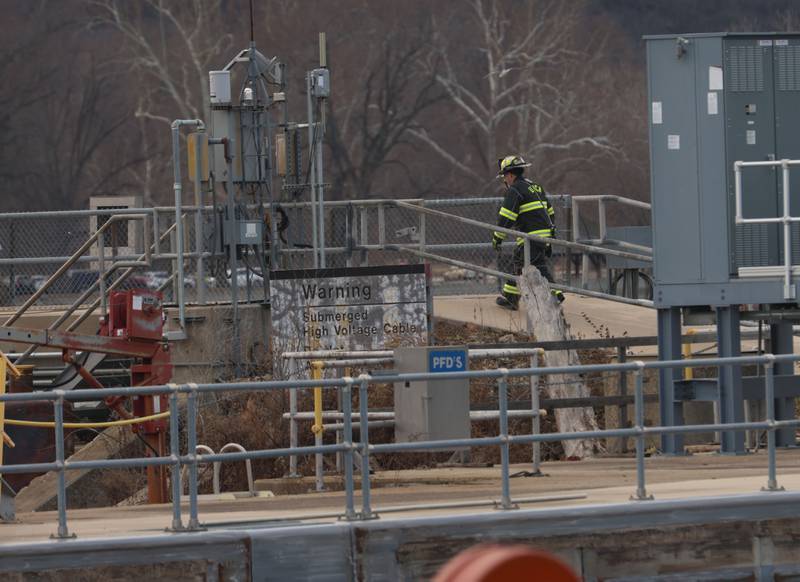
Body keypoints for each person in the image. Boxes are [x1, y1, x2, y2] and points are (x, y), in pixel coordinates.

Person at [492, 155, 564, 310]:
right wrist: (549, 237)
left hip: (530, 237)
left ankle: (556, 295)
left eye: (504, 176)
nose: (505, 180)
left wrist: (497, 238)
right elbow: (550, 211)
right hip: (542, 235)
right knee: (519, 264)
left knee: (538, 266)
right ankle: (510, 298)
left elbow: (506, 217)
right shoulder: (535, 187)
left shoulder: (515, 190)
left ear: (510, 174)